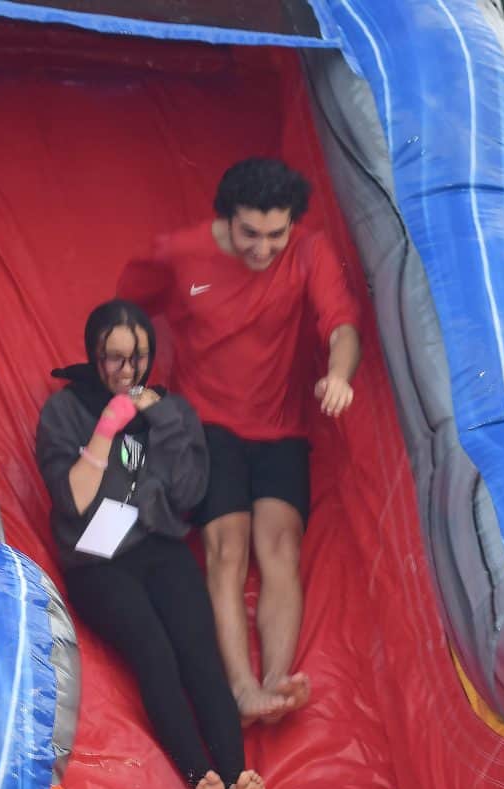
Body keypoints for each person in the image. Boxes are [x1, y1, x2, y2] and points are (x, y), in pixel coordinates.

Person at [118, 157, 361, 726]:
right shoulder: (181, 255)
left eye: (276, 234)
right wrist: (130, 391)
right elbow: (125, 311)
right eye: (250, 233)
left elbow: (342, 323)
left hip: (280, 428)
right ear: (228, 218)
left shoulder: (307, 250)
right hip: (208, 426)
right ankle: (241, 687)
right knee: (228, 547)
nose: (262, 249)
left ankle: (276, 681)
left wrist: (340, 374)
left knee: (279, 547)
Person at [35, 298, 265, 789]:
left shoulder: (173, 411)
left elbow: (188, 494)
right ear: (95, 357)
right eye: (114, 358)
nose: (127, 371)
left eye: (137, 358)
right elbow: (73, 499)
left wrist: (161, 422)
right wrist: (106, 428)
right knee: (154, 651)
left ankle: (235, 775)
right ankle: (199, 776)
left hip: (157, 544)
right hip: (96, 559)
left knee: (198, 650)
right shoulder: (64, 410)